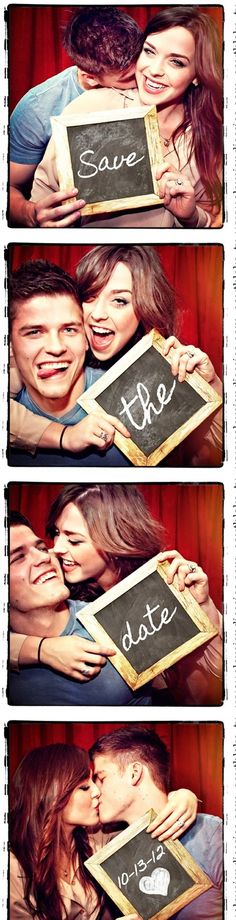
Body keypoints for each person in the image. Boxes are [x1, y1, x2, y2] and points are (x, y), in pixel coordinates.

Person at [10, 485, 223, 706]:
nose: (55, 549)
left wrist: (202, 611)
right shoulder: (55, 586)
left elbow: (195, 697)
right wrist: (42, 649)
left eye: (74, 540)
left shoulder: (159, 590)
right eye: (55, 534)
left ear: (115, 540)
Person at [10, 247, 223, 466]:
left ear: (144, 309)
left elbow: (211, 456)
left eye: (120, 301)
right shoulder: (27, 362)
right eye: (89, 296)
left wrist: (210, 388)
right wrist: (64, 436)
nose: (98, 314)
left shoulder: (152, 386)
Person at [31, 6, 222, 228]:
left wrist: (193, 217)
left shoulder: (210, 135)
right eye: (149, 51)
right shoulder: (90, 107)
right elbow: (42, 198)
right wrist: (40, 219)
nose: (154, 69)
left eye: (176, 62)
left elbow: (213, 219)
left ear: (197, 75)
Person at [9, 741, 198, 920]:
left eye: (96, 780)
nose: (96, 791)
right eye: (84, 787)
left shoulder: (98, 839)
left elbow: (148, 815)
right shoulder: (12, 868)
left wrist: (183, 796)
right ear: (51, 795)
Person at [9, 6, 141, 226]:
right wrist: (31, 213)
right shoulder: (37, 109)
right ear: (90, 78)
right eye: (128, 78)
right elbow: (10, 186)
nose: (141, 80)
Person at [90, 726, 223, 920]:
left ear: (134, 772)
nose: (96, 791)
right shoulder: (109, 856)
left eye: (101, 778)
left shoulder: (210, 833)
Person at [9, 259, 131, 467]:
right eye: (35, 332)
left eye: (69, 330)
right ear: (9, 345)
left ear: (86, 338)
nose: (56, 348)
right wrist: (65, 436)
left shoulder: (130, 398)